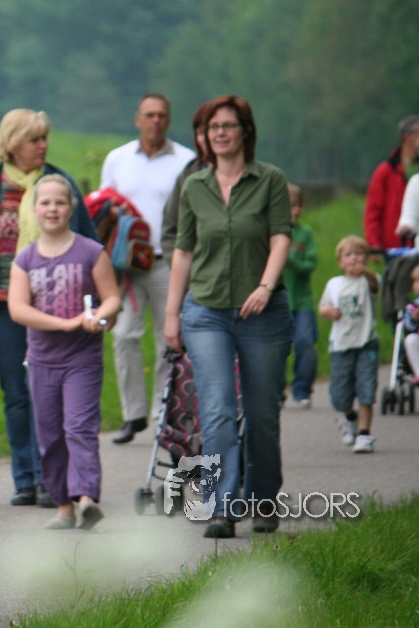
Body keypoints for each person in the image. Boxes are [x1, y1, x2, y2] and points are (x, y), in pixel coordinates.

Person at [0, 109, 97, 506]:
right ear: (12, 144)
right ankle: (25, 479)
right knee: (17, 392)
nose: (43, 146)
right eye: (33, 139)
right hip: (0, 308)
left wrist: (95, 303)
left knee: (46, 392)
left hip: (56, 307)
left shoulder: (60, 185)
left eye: (44, 138)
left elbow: (90, 245)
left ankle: (50, 480)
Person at [164, 95, 294, 539]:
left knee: (261, 414)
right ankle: (221, 506)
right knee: (217, 409)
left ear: (245, 131)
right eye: (212, 127)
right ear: (204, 137)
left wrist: (265, 286)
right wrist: (172, 315)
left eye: (228, 125)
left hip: (263, 314)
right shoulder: (194, 186)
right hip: (206, 311)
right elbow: (183, 251)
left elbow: (280, 238)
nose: (220, 133)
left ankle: (263, 499)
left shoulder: (270, 179)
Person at [7, 175, 120, 530]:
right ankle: (63, 507)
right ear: (34, 209)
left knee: (79, 427)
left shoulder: (91, 252)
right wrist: (66, 324)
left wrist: (99, 316)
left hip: (82, 360)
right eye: (45, 202)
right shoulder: (25, 260)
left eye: (60, 202)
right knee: (50, 436)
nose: (52, 209)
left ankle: (86, 498)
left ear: (71, 208)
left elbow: (112, 298)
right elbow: (18, 309)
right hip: (42, 361)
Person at [100, 93, 196, 445]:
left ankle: (161, 414)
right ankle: (133, 414)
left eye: (161, 115)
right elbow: (103, 204)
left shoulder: (186, 160)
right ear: (137, 119)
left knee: (168, 339)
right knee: (123, 334)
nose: (155, 121)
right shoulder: (117, 159)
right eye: (149, 115)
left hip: (167, 262)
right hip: (126, 264)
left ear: (168, 120)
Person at [318, 236, 380, 454]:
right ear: (340, 261)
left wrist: (366, 271)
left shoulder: (368, 281)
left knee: (366, 389)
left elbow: (375, 284)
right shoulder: (334, 284)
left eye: (359, 254)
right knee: (339, 395)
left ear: (366, 258)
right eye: (348, 255)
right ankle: (349, 416)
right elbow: (323, 307)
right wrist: (329, 312)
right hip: (341, 345)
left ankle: (364, 434)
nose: (354, 258)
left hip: (366, 343)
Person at [363, 114, 419, 250]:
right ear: (407, 136)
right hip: (396, 246)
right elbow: (373, 210)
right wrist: (374, 243)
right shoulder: (386, 171)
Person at [283, 183, 318, 409]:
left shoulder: (305, 234)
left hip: (302, 301)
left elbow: (310, 264)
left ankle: (302, 389)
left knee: (305, 342)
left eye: (298, 206)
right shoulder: (270, 232)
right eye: (290, 206)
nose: (295, 211)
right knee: (276, 349)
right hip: (279, 301)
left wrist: (289, 256)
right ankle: (276, 392)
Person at [160, 101, 211, 257]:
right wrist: (179, 264)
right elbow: (170, 229)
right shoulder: (189, 174)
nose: (209, 137)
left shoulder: (264, 177)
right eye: (201, 133)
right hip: (195, 267)